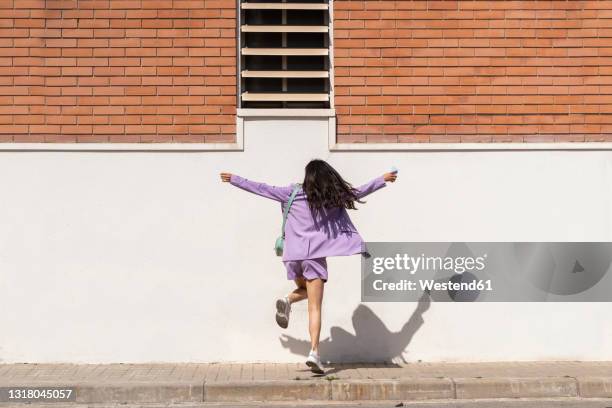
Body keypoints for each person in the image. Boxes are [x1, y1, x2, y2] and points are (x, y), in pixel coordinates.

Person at [220, 159, 397, 373]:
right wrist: (382, 179)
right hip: (314, 257)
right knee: (315, 306)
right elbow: (357, 193)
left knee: (303, 290)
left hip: (292, 255)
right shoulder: (330, 198)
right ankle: (314, 352)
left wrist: (234, 179)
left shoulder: (291, 193)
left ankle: (288, 300)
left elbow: (261, 188)